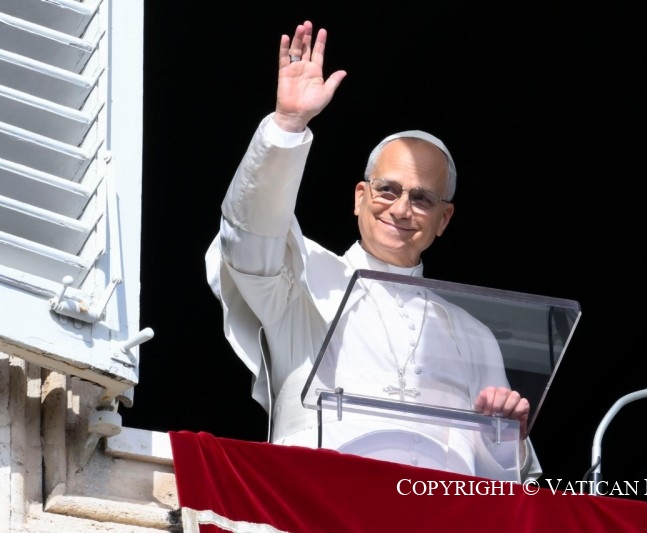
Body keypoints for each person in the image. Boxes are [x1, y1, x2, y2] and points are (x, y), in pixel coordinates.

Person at [205, 20, 541, 480]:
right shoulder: (302, 280)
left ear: (444, 219)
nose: (401, 209)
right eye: (387, 190)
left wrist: (505, 436)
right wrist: (287, 125)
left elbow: (503, 480)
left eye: (422, 198)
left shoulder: (474, 335)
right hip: (319, 496)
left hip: (436, 510)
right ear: (360, 197)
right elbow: (248, 237)